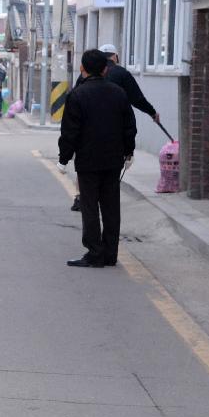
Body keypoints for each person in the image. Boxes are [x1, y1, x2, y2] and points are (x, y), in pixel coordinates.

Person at [57, 49, 136, 268]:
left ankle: (94, 252)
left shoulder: (77, 95)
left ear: (82, 69)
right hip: (113, 159)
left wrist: (64, 158)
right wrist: (128, 152)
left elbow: (70, 131)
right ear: (105, 69)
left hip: (88, 159)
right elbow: (129, 126)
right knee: (111, 206)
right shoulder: (118, 93)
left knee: (90, 205)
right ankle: (110, 253)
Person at [69, 43, 159, 212]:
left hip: (86, 135)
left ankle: (81, 197)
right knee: (109, 172)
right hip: (112, 135)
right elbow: (137, 99)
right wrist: (152, 113)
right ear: (115, 57)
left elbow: (73, 103)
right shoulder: (121, 73)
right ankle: (106, 204)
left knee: (85, 169)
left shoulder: (84, 76)